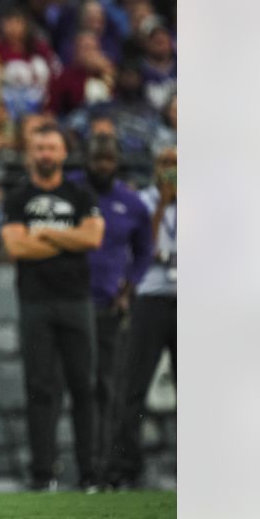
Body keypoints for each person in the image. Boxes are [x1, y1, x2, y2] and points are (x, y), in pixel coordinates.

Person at [0, 124, 105, 491]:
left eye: (52, 147)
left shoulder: (79, 192)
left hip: (76, 301)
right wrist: (68, 240)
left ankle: (89, 472)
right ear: (32, 153)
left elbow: (93, 237)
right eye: (40, 147)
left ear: (63, 153)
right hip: (35, 303)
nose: (45, 153)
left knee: (83, 387)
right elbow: (16, 248)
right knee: (40, 388)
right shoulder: (17, 198)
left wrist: (44, 234)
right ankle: (43, 474)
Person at [68, 135, 153, 477]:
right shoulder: (69, 190)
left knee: (107, 387)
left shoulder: (130, 202)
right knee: (74, 387)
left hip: (107, 306)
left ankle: (107, 464)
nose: (101, 166)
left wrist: (129, 286)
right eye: (96, 159)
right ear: (85, 159)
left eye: (107, 160)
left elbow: (145, 251)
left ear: (116, 162)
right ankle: (82, 464)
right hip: (69, 301)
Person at [109, 145, 176, 489]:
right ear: (154, 167)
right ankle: (126, 467)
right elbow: (143, 249)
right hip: (149, 297)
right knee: (133, 388)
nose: (171, 170)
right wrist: (163, 203)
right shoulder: (143, 202)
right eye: (165, 163)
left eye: (177, 164)